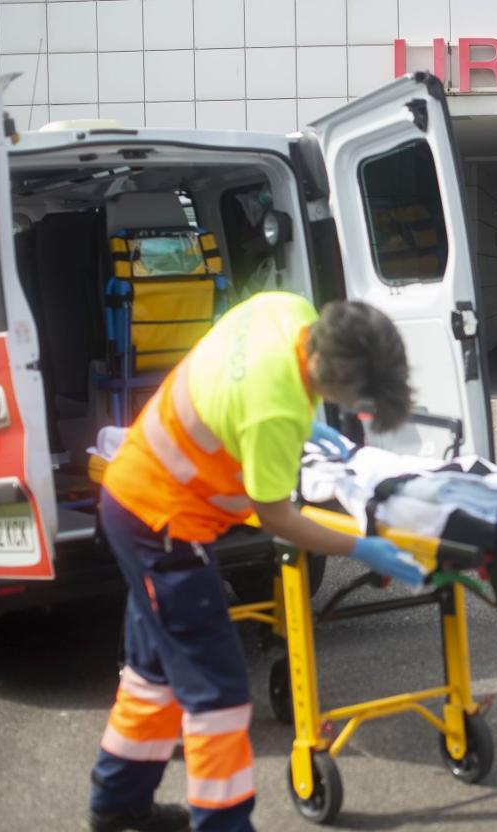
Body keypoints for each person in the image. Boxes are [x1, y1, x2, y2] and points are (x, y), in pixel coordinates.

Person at [87, 292, 424, 832]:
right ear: (329, 367)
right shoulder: (276, 412)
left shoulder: (286, 308)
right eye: (360, 398)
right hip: (162, 524)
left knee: (154, 675)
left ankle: (118, 807)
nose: (360, 412)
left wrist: (295, 424)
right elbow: (278, 519)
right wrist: (360, 546)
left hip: (135, 496)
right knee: (216, 693)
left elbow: (232, 372)